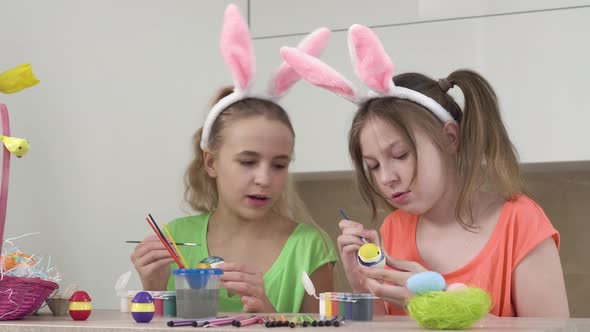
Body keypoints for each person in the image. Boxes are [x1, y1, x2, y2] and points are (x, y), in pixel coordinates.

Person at [280, 24, 569, 317]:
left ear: (449, 138)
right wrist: (366, 289)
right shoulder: (393, 232)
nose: (386, 178)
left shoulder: (520, 224)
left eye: (401, 155)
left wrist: (441, 304)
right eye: (374, 166)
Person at [131, 4, 336, 313]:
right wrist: (153, 290)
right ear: (211, 162)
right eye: (247, 162)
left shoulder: (309, 247)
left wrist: (269, 316)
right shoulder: (175, 238)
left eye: (279, 165)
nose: (264, 178)